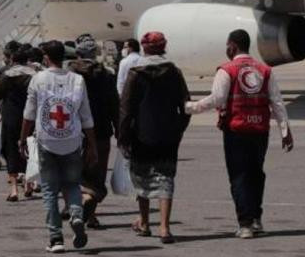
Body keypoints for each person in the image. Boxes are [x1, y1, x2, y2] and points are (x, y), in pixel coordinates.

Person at [185, 29, 294, 239]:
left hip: (236, 131)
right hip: (260, 130)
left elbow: (217, 99)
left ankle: (245, 224)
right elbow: (277, 102)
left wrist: (190, 107)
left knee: (239, 176)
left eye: (228, 45)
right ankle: (256, 218)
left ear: (233, 46)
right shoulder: (264, 70)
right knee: (256, 174)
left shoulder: (227, 70)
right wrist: (285, 131)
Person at [19, 40, 98, 254]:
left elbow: (29, 114)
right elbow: (86, 116)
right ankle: (76, 215)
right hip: (72, 140)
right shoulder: (78, 80)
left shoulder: (38, 79)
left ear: (46, 58)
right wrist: (92, 144)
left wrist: (22, 138)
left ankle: (56, 239)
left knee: (49, 190)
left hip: (47, 140)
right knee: (72, 185)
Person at [118, 32, 191, 244]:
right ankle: (165, 228)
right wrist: (179, 128)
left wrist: (123, 136)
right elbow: (186, 105)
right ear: (163, 47)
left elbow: (125, 109)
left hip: (141, 134)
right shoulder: (174, 72)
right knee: (165, 178)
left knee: (142, 178)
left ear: (144, 48)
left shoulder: (135, 73)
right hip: (168, 134)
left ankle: (144, 222)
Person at [68, 34, 119, 229]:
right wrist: (119, 129)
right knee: (97, 171)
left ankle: (75, 206)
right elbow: (114, 104)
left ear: (78, 53)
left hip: (74, 129)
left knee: (73, 170)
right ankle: (91, 212)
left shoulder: (70, 75)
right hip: (101, 130)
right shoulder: (107, 74)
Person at [0, 47, 37, 202]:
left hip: (11, 115)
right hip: (31, 116)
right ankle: (29, 184)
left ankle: (14, 189)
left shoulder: (7, 75)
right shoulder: (34, 74)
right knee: (30, 148)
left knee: (10, 148)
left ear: (12, 60)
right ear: (26, 60)